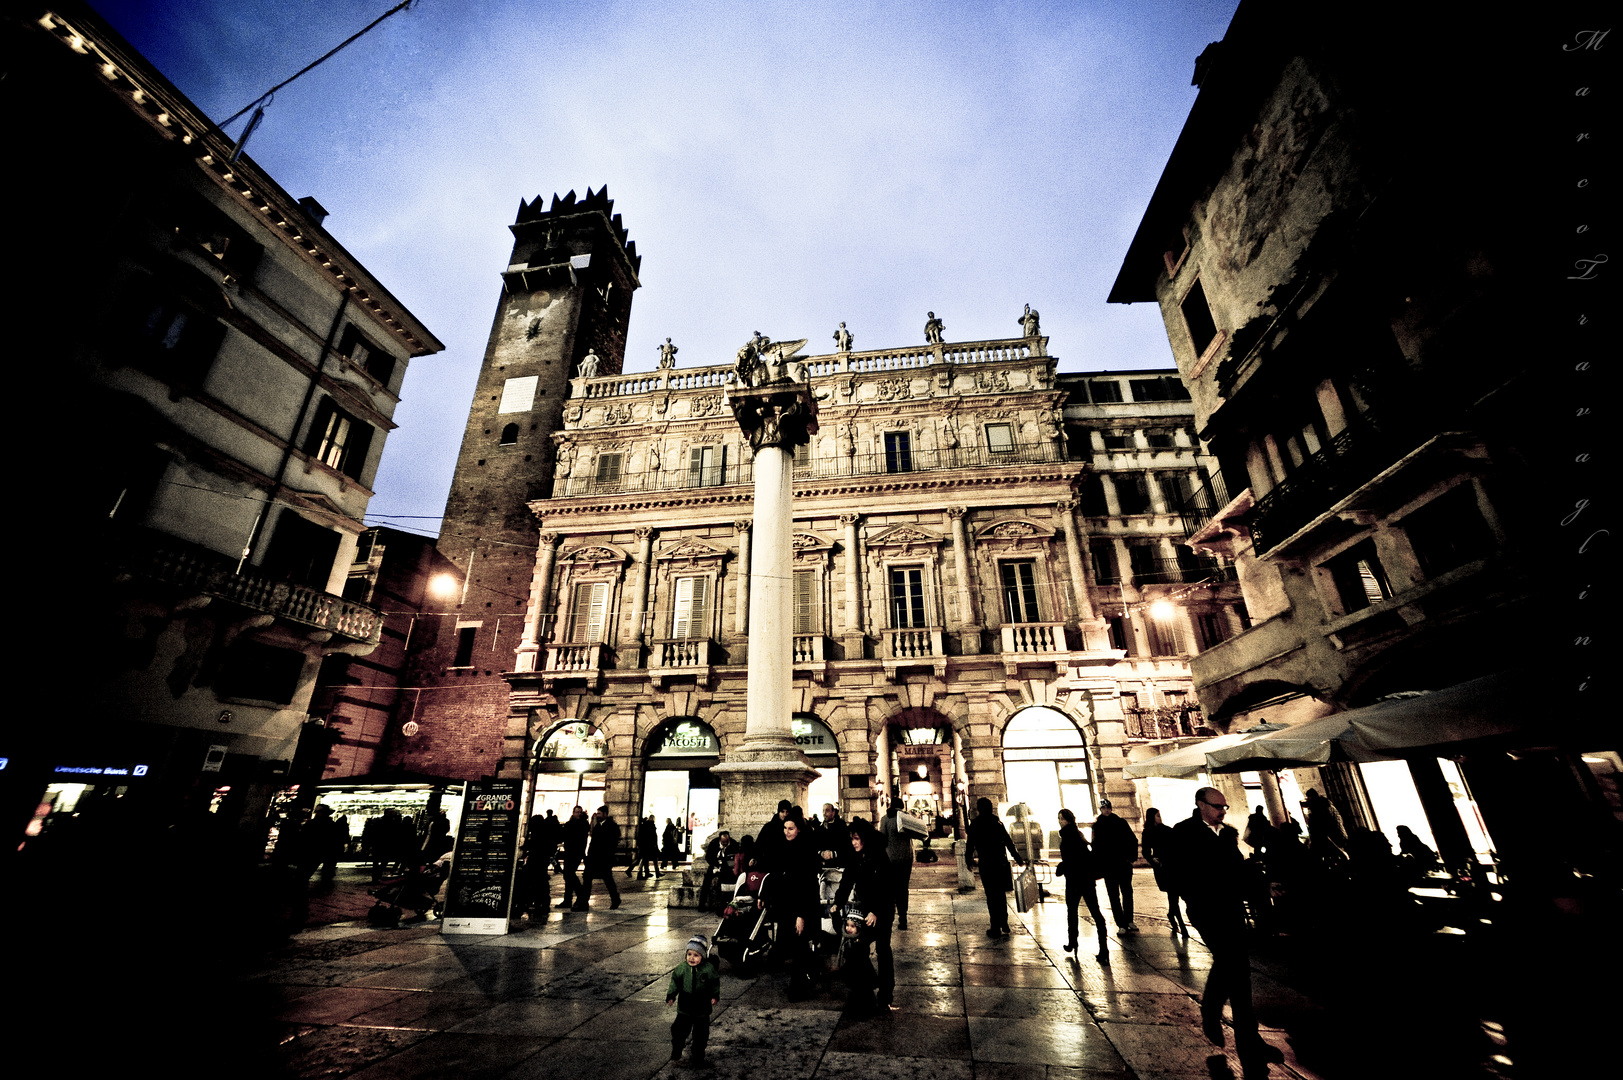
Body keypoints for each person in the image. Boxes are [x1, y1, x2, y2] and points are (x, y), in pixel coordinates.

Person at [1169, 786, 1281, 1071]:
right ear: (1200, 804)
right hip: (1206, 910)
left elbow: (1238, 870)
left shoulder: (1227, 834)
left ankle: (1219, 1016)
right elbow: (1176, 872)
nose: (1222, 810)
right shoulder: (1184, 832)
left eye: (1224, 806)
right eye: (1217, 806)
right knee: (1235, 966)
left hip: (1230, 909)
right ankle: (1246, 1038)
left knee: (1235, 967)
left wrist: (1262, 885)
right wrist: (1193, 895)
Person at [833, 817, 896, 1013]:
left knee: (883, 950)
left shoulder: (879, 857)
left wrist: (876, 911)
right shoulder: (854, 857)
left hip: (882, 910)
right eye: (852, 839)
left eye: (857, 839)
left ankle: (885, 995)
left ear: (865, 839)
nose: (854, 843)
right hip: (865, 909)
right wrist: (838, 902)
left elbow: (887, 887)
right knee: (858, 949)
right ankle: (863, 990)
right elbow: (846, 881)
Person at [764, 814, 822, 999]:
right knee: (793, 947)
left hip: (801, 907)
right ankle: (803, 982)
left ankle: (800, 987)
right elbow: (775, 875)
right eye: (785, 828)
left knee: (800, 948)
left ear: (799, 829)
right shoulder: (784, 847)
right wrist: (764, 894)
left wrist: (801, 915)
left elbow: (806, 886)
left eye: (791, 828)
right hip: (786, 906)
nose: (787, 832)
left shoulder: (806, 851)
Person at [964, 797, 1024, 937]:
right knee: (1000, 894)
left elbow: (970, 844)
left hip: (986, 863)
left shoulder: (976, 824)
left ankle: (995, 927)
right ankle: (1004, 923)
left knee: (991, 896)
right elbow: (1008, 841)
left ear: (979, 809)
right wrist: (1018, 858)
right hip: (999, 862)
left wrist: (969, 861)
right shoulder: (997, 822)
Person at [1057, 808, 1109, 961]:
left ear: (1069, 820)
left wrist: (1061, 867)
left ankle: (1074, 942)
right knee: (1094, 913)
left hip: (1075, 880)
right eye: (1059, 818)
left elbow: (1072, 860)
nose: (1060, 821)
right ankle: (1102, 949)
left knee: (1073, 912)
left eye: (1062, 818)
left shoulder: (1069, 836)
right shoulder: (1078, 834)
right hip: (1086, 879)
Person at [665, 933, 720, 1067]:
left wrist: (714, 996)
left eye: (696, 955)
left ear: (702, 956)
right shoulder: (682, 968)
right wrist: (671, 995)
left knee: (701, 1035)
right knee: (678, 1030)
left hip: (702, 1008)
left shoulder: (708, 969)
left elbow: (714, 983)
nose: (692, 958)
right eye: (689, 954)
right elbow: (675, 982)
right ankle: (677, 1048)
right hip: (685, 1007)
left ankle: (698, 1056)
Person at [1140, 807, 1188, 935]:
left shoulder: (1167, 829)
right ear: (1152, 817)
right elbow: (1145, 851)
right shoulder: (1148, 832)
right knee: (1173, 893)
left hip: (1174, 864)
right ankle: (1180, 923)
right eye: (1157, 816)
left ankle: (1173, 915)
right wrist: (1153, 861)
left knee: (1175, 893)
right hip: (1163, 866)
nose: (1160, 818)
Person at [1093, 799, 1139, 932]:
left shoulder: (1119, 822)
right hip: (1110, 866)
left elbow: (1132, 840)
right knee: (1115, 895)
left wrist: (1131, 858)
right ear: (1101, 810)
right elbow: (1096, 847)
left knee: (1126, 893)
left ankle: (1128, 920)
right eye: (1104, 808)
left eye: (1108, 807)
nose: (1106, 810)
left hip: (1121, 864)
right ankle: (1121, 924)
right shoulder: (1099, 825)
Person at [576, 806, 622, 910]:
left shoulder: (612, 826)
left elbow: (613, 843)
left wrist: (608, 855)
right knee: (587, 878)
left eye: (599, 813)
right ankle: (584, 903)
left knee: (608, 879)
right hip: (593, 858)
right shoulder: (597, 826)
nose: (598, 815)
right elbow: (593, 842)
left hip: (604, 859)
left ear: (605, 814)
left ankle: (615, 899)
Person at [879, 797, 915, 929]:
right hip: (906, 858)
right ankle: (903, 917)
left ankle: (890, 916)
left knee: (890, 889)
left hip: (890, 859)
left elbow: (882, 839)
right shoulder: (907, 818)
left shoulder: (885, 819)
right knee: (903, 888)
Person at [303, 804, 347, 884]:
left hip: (316, 851)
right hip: (321, 851)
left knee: (307, 872)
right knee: (312, 872)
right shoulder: (331, 825)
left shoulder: (312, 824)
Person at [557, 805, 589, 909]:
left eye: (580, 812)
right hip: (569, 852)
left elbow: (580, 840)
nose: (578, 814)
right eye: (577, 812)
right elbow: (563, 835)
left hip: (576, 853)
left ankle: (580, 896)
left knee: (569, 874)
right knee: (567, 876)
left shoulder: (583, 824)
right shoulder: (570, 824)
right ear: (573, 812)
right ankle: (568, 900)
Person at [701, 830, 737, 910]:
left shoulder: (733, 844)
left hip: (727, 867)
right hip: (715, 865)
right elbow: (708, 857)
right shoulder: (714, 844)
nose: (725, 844)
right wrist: (715, 865)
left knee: (726, 880)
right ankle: (702, 904)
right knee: (706, 881)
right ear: (720, 840)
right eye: (723, 842)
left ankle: (724, 904)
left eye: (726, 842)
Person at [815, 803, 848, 868]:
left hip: (838, 864)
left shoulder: (841, 827)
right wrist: (822, 853)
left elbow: (846, 845)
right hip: (823, 865)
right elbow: (815, 845)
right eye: (823, 811)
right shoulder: (819, 828)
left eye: (827, 810)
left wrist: (833, 854)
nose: (824, 813)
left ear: (833, 813)